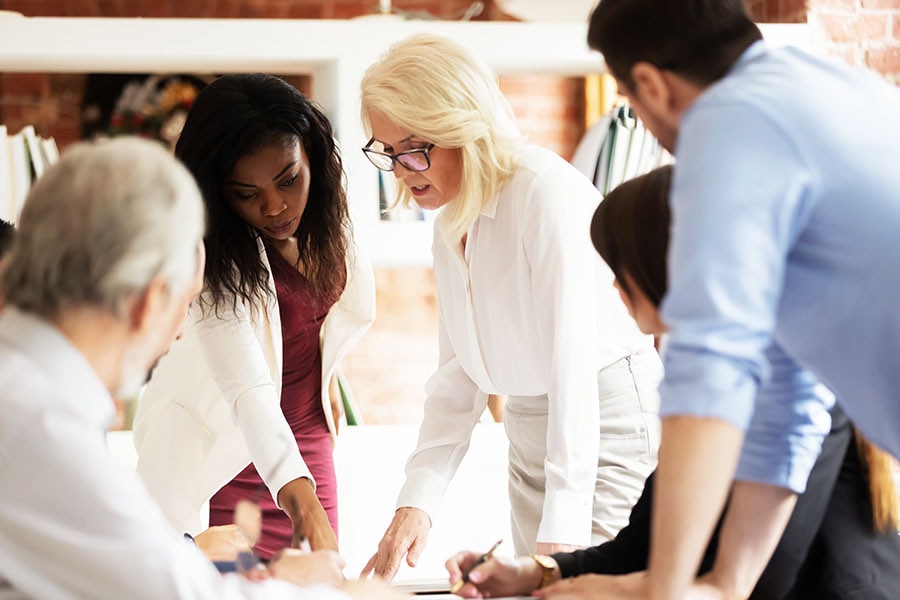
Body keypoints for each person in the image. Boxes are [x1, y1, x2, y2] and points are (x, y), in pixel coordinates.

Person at [446, 166, 900, 600]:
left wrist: (618, 591)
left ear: (667, 267)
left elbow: (758, 579)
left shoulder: (788, 386)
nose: (614, 290)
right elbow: (637, 549)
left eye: (620, 271)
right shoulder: (701, 389)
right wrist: (534, 572)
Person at [585, 1, 900, 598]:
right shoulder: (820, 89)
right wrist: (726, 584)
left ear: (650, 85)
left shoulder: (730, 122)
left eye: (630, 104)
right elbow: (789, 395)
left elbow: (709, 368)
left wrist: (666, 587)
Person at [0, 136, 364, 599]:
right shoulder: (39, 425)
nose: (178, 336)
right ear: (151, 302)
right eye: (187, 305)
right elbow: (160, 590)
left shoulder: (30, 391)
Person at [358, 33, 662, 580]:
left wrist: (558, 548)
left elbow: (572, 369)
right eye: (386, 151)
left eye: (413, 147)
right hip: (528, 427)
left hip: (603, 420)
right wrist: (416, 503)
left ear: (462, 126)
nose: (400, 171)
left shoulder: (544, 194)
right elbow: (458, 375)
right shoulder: (451, 219)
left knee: (593, 586)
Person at [133, 73, 376, 559]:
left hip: (307, 442)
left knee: (314, 588)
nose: (275, 206)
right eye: (247, 192)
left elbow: (326, 321)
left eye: (289, 179)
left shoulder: (329, 227)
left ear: (313, 157)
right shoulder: (207, 254)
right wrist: (301, 504)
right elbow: (247, 390)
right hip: (226, 453)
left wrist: (323, 374)